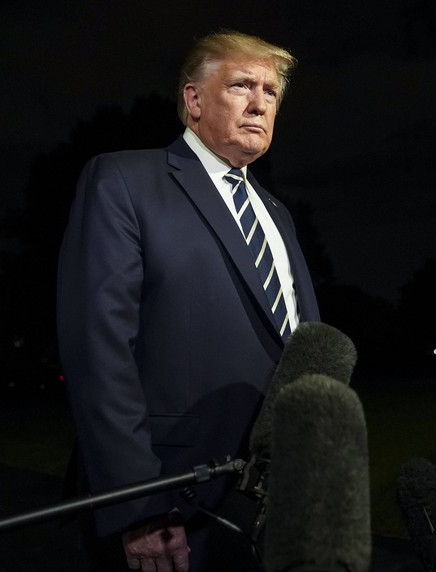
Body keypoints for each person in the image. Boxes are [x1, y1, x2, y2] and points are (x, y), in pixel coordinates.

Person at [56, 30, 319, 571]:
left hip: (275, 500)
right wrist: (138, 503)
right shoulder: (125, 179)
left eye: (270, 92)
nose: (259, 103)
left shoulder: (276, 213)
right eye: (242, 85)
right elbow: (99, 351)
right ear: (194, 100)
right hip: (174, 503)